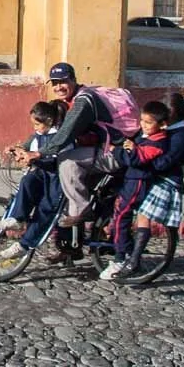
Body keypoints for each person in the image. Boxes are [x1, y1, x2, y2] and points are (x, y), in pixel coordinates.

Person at [17, 62, 123, 263]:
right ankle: (71, 249)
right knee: (67, 188)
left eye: (63, 82)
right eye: (55, 83)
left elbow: (63, 135)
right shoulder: (66, 102)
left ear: (73, 80)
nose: (58, 87)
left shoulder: (83, 102)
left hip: (112, 153)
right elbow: (46, 128)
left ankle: (83, 214)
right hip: (93, 152)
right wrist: (23, 147)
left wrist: (38, 154)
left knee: (67, 166)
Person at [127, 93, 184, 275]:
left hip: (167, 181)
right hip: (155, 176)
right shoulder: (168, 130)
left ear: (172, 117)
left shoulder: (180, 135)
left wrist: (144, 156)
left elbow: (163, 163)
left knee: (143, 216)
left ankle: (134, 260)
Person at [99, 100, 171, 280]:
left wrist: (117, 151)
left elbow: (136, 159)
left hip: (138, 182)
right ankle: (118, 247)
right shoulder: (147, 137)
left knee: (123, 216)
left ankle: (120, 258)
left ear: (162, 125)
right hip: (130, 180)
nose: (143, 126)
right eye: (142, 121)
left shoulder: (158, 142)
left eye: (148, 123)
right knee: (117, 214)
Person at [0, 100, 71, 259]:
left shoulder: (59, 138)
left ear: (49, 121)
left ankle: (24, 245)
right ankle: (17, 218)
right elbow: (27, 146)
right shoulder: (38, 135)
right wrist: (16, 150)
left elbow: (53, 157)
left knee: (45, 210)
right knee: (27, 182)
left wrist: (34, 158)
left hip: (57, 179)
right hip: (41, 175)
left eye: (37, 124)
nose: (35, 128)